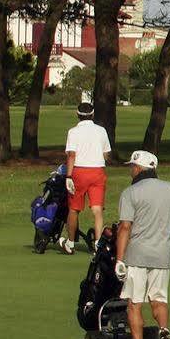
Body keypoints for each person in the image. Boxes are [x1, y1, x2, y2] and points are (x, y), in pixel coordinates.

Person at [113, 150, 170, 339]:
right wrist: (161, 231)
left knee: (134, 305)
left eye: (131, 167)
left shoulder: (130, 192)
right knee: (159, 300)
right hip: (162, 255)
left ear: (139, 169)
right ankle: (163, 330)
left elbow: (125, 227)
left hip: (137, 256)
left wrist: (119, 259)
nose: (130, 170)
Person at [61, 101, 113, 253]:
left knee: (74, 209)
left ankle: (70, 244)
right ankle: (98, 244)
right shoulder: (101, 131)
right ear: (92, 115)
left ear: (77, 115)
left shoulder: (73, 132)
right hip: (97, 171)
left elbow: (71, 155)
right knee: (97, 210)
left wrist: (68, 176)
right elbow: (106, 154)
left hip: (79, 172)